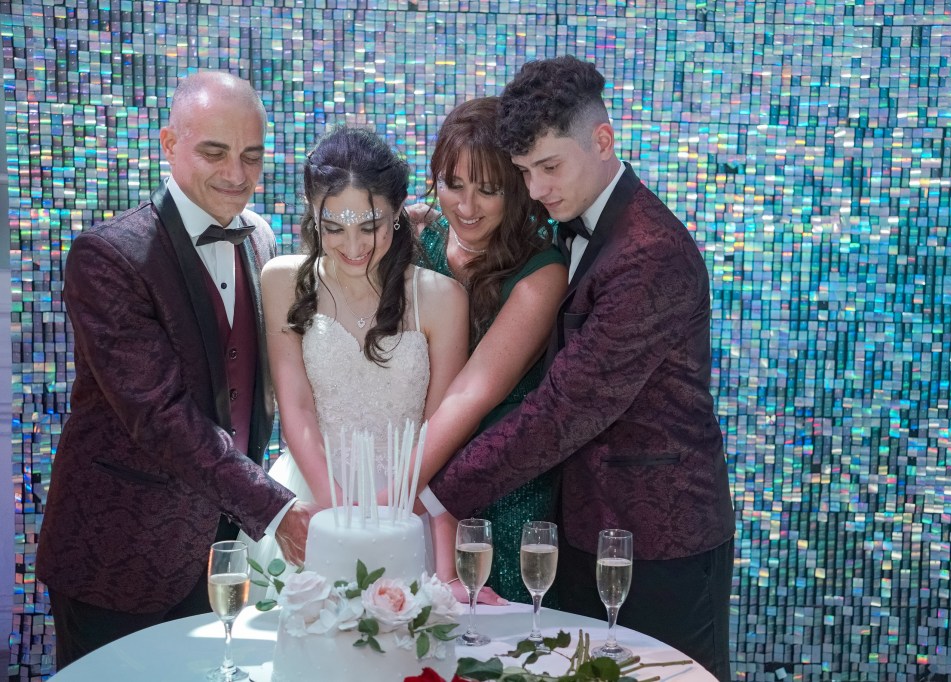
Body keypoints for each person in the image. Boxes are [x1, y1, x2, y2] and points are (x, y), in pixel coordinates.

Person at [422, 56, 735, 680]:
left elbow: (564, 409)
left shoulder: (650, 254)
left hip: (661, 538)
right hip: (579, 531)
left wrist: (433, 493)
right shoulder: (567, 218)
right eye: (524, 172)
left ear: (603, 140)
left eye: (549, 167)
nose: (536, 189)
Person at [36, 71, 315, 669]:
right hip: (118, 557)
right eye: (214, 152)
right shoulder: (109, 256)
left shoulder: (261, 241)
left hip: (220, 557)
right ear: (169, 143)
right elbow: (160, 416)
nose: (237, 174)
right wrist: (275, 508)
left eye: (252, 155)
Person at [250, 125, 468, 559]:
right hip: (314, 495)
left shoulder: (444, 298)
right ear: (312, 212)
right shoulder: (282, 281)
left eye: (370, 227)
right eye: (333, 228)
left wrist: (384, 516)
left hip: (407, 505)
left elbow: (439, 429)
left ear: (398, 211)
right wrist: (339, 517)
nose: (353, 247)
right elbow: (296, 408)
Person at [414, 97, 568, 604]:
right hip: (416, 484)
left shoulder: (540, 271)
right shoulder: (417, 243)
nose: (466, 206)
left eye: (488, 190)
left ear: (516, 188)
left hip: (500, 492)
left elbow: (472, 394)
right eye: (452, 184)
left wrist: (394, 493)